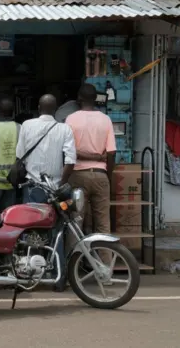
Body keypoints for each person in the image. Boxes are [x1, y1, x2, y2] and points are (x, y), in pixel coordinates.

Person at [66, 84, 117, 242]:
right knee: (103, 225)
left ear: (79, 98)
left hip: (77, 176)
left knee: (75, 223)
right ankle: (105, 264)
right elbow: (111, 153)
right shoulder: (106, 120)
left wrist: (82, 155)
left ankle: (72, 264)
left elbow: (69, 152)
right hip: (100, 175)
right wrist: (107, 175)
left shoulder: (71, 119)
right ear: (96, 99)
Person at [16, 94, 76, 204]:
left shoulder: (26, 125)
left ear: (39, 108)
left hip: (31, 186)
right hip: (55, 188)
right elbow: (70, 161)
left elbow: (20, 157)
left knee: (30, 219)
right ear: (56, 109)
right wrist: (62, 185)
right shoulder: (65, 129)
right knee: (55, 219)